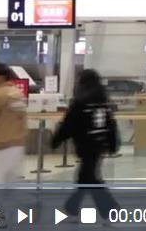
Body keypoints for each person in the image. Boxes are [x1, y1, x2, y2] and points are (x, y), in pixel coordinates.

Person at [53, 69, 119, 219]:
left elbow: (69, 124)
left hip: (85, 144)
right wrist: (112, 143)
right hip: (99, 144)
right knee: (86, 176)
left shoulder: (80, 102)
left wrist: (57, 139)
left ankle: (108, 208)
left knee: (88, 177)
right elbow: (110, 124)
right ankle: (74, 206)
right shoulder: (102, 100)